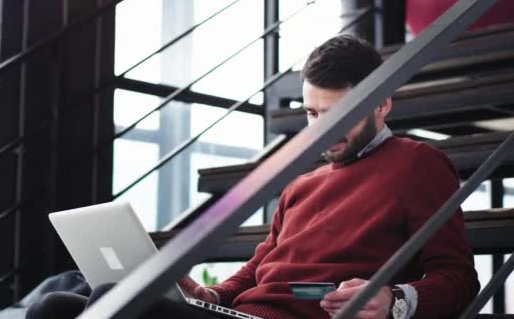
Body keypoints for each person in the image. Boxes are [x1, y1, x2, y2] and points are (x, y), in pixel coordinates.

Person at [27, 35, 479, 319]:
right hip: (242, 315)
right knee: (55, 303)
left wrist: (394, 300)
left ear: (382, 104)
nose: (320, 128)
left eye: (338, 113)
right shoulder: (302, 185)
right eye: (311, 113)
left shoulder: (418, 164)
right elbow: (259, 270)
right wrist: (213, 295)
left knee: (108, 299)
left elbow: (458, 278)